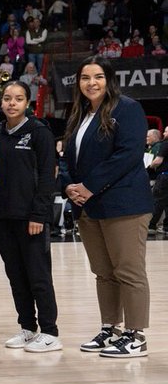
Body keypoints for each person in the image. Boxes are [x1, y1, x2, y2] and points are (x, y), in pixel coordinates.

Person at [65, 56, 152, 358]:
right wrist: (69, 186)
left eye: (98, 76)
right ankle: (110, 329)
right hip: (88, 206)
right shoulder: (79, 114)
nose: (92, 83)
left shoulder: (126, 108)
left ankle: (136, 335)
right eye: (85, 77)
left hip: (124, 204)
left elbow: (128, 154)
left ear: (109, 79)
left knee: (129, 271)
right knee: (103, 272)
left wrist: (88, 187)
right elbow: (68, 159)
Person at [0, 80, 61, 353]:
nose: (12, 103)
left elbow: (48, 177)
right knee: (16, 276)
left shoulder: (39, 133)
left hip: (31, 218)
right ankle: (27, 327)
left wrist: (39, 215)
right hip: (5, 217)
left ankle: (50, 332)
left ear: (27, 103)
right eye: (7, 98)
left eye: (18, 98)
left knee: (38, 276)